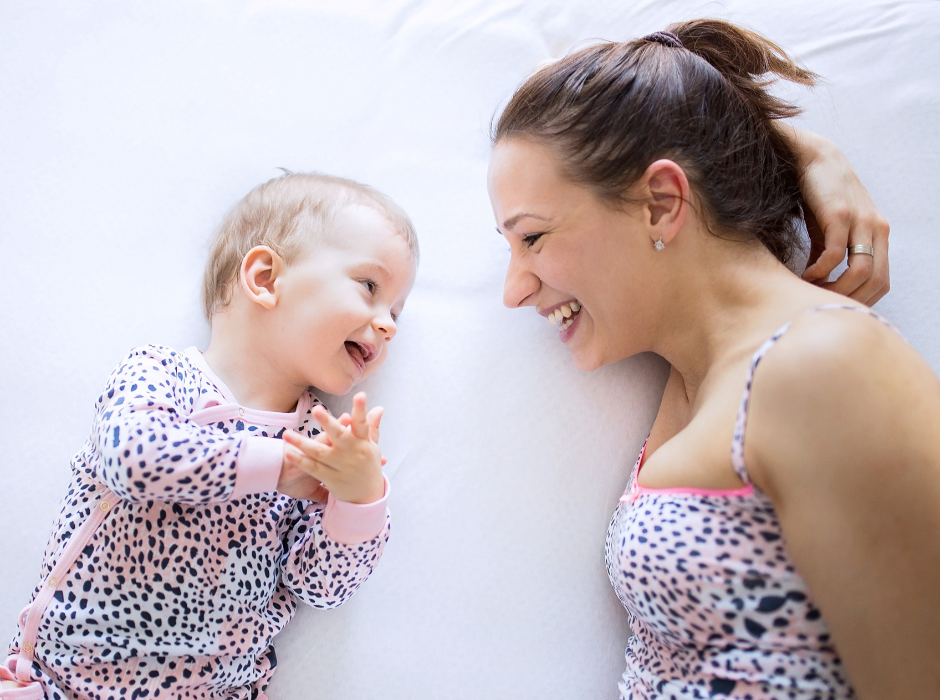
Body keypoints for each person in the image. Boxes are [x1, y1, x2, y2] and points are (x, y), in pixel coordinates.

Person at [488, 19, 939, 700]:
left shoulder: (826, 364)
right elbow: (638, 96)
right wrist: (798, 146)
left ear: (662, 203)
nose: (514, 288)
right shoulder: (694, 371)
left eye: (533, 238)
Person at [2, 173, 418, 699]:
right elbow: (132, 459)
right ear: (265, 278)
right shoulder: (162, 374)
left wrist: (359, 500)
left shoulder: (324, 440)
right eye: (370, 288)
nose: (389, 326)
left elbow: (321, 585)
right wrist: (280, 467)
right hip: (68, 678)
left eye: (397, 312)